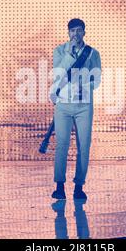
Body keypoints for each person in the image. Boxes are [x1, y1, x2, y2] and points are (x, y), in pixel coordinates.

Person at [49, 18, 101, 200]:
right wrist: (70, 55)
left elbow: (97, 80)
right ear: (68, 33)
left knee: (84, 145)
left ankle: (79, 185)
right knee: (62, 145)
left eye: (79, 30)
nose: (75, 34)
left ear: (84, 33)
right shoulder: (59, 51)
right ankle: (59, 186)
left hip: (84, 106)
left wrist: (84, 83)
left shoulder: (92, 53)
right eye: (72, 31)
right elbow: (58, 73)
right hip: (63, 104)